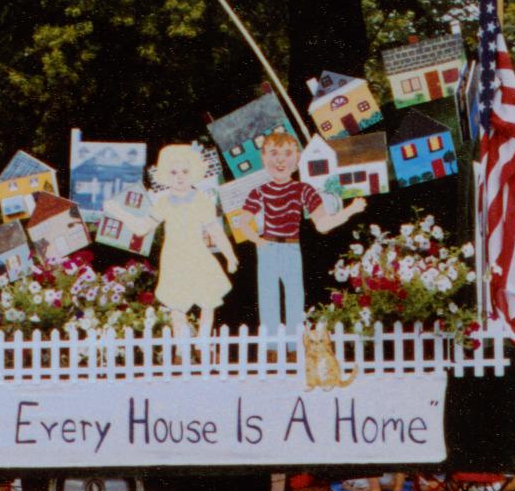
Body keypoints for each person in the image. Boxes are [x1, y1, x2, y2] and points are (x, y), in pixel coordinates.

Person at [240, 130, 365, 337]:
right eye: (273, 153)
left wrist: (349, 210)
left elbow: (323, 224)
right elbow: (243, 223)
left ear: (297, 158)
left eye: (287, 153)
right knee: (268, 298)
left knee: (295, 298)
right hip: (268, 248)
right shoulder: (259, 192)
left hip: (291, 247)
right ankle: (271, 351)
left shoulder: (304, 190)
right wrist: (258, 241)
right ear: (263, 158)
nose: (280, 160)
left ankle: (293, 347)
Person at [148, 142, 238, 338]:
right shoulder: (163, 203)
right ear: (164, 175)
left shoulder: (202, 200)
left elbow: (215, 231)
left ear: (195, 172)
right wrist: (119, 213)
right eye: (173, 172)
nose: (179, 176)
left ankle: (202, 343)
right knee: (177, 304)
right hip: (173, 257)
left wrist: (229, 255)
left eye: (185, 171)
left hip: (197, 255)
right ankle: (182, 348)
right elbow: (144, 227)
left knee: (208, 300)